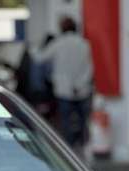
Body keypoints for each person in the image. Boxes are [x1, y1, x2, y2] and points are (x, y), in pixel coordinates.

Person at [34, 16, 94, 150]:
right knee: (84, 122)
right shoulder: (84, 44)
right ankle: (85, 149)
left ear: (61, 29)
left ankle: (69, 152)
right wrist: (79, 84)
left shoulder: (58, 43)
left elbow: (39, 58)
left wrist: (37, 46)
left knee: (66, 123)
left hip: (63, 90)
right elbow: (89, 68)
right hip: (82, 89)